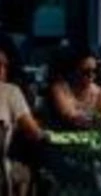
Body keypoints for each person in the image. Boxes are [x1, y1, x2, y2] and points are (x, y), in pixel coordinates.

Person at [0, 39, 45, 196]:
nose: (4, 70)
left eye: (6, 65)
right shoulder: (9, 91)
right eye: (1, 65)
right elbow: (34, 132)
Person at [44, 46, 101, 132]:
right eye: (85, 72)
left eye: (95, 71)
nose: (91, 75)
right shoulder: (60, 89)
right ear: (72, 71)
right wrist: (94, 120)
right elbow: (69, 118)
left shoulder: (100, 94)